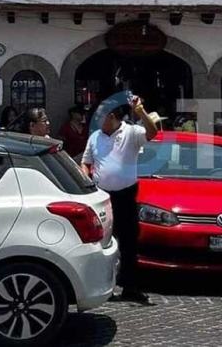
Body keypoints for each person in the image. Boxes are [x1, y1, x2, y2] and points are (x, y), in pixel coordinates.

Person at [80, 96, 157, 304]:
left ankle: (131, 287)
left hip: (125, 196)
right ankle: (102, 286)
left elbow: (152, 132)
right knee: (102, 242)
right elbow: (86, 161)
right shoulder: (95, 136)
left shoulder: (130, 133)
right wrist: (86, 175)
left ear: (111, 117)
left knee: (129, 242)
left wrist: (140, 111)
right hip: (102, 197)